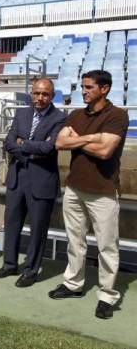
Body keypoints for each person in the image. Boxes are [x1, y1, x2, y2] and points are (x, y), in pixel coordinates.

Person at [49, 70, 129, 320]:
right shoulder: (75, 114)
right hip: (74, 187)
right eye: (82, 87)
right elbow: (60, 143)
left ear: (104, 89)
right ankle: (73, 284)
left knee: (107, 246)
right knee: (75, 240)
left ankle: (107, 295)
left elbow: (105, 151)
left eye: (89, 87)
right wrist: (93, 137)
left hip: (103, 190)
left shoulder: (117, 115)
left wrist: (80, 139)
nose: (83, 91)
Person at [0, 78, 66, 287]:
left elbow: (49, 148)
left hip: (42, 180)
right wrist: (30, 150)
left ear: (52, 96)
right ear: (31, 93)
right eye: (36, 93)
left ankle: (31, 270)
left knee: (38, 229)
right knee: (12, 223)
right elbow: (8, 142)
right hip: (17, 177)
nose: (40, 98)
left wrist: (23, 144)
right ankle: (9, 264)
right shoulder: (22, 113)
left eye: (45, 94)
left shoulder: (59, 118)